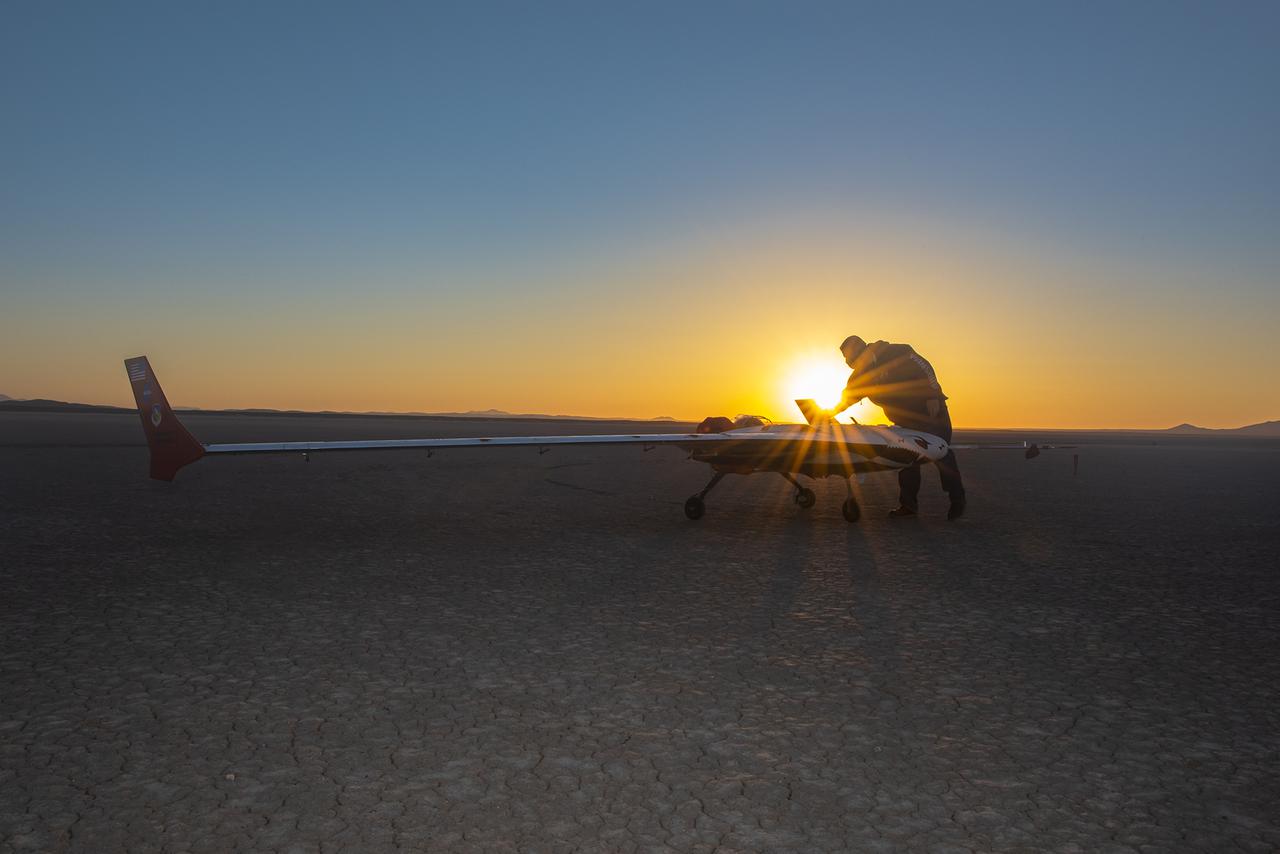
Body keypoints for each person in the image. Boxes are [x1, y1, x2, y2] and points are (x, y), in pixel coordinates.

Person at [829, 335, 966, 520]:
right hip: (905, 420)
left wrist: (933, 395)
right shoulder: (860, 377)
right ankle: (908, 505)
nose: (849, 363)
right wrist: (827, 414)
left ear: (863, 351)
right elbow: (847, 399)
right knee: (906, 456)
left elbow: (925, 368)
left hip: (931, 411)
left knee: (941, 452)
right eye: (847, 360)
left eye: (850, 358)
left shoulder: (897, 352)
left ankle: (957, 500)